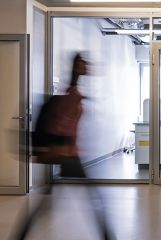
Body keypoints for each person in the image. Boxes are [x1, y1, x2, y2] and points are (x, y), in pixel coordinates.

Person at [14, 53, 112, 239]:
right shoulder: (71, 95)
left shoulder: (73, 92)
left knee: (46, 201)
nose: (88, 67)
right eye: (83, 64)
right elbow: (62, 125)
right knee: (95, 199)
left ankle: (21, 233)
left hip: (68, 154)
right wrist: (65, 147)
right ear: (76, 67)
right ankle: (108, 236)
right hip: (69, 155)